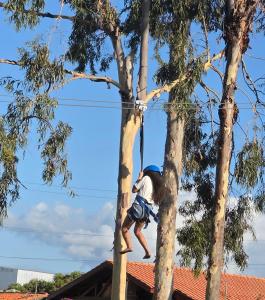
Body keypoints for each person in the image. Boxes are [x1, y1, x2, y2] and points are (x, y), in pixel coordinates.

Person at [120, 165, 164, 259]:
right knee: (137, 231)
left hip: (138, 208)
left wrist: (139, 178)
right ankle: (147, 251)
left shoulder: (146, 178)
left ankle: (129, 246)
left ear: (148, 172)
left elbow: (134, 190)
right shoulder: (157, 186)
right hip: (146, 211)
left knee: (124, 229)